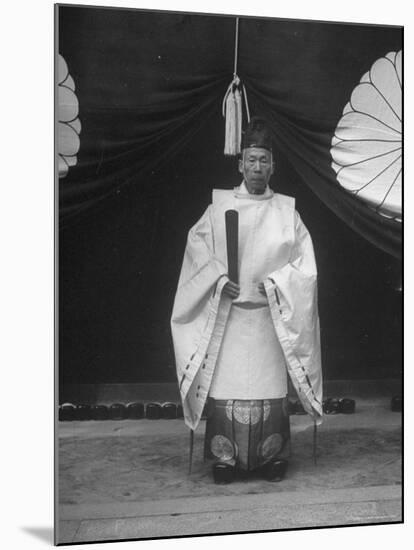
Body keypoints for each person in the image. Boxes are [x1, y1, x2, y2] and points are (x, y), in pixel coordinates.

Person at [171, 117, 322, 484]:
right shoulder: (219, 208)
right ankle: (225, 458)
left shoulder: (288, 214)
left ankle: (273, 456)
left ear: (273, 165)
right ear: (240, 163)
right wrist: (219, 280)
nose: (257, 167)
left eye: (264, 160)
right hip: (232, 317)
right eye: (251, 160)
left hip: (270, 318)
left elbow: (305, 269)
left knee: (270, 389)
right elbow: (197, 254)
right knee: (228, 388)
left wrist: (276, 284)